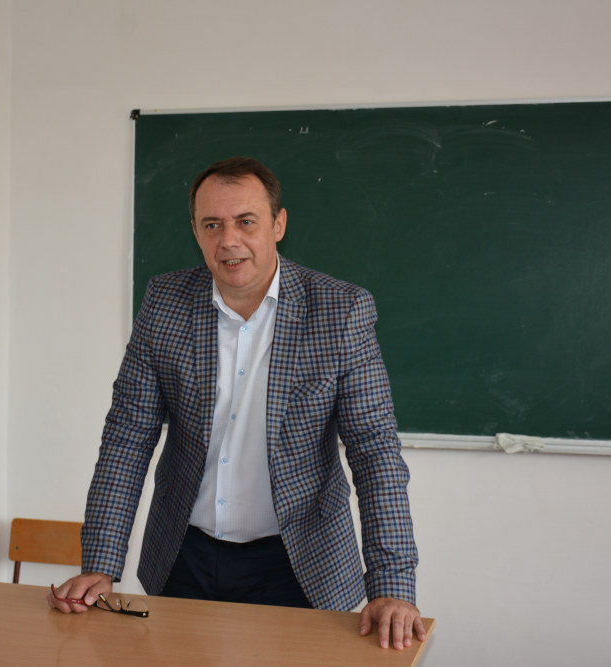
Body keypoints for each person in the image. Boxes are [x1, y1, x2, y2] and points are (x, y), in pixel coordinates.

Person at [48, 157, 425, 650]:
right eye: (212, 225)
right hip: (183, 558)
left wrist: (392, 586)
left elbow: (375, 451)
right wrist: (100, 563)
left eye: (246, 221)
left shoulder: (340, 311)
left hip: (298, 564)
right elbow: (127, 437)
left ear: (278, 224)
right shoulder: (164, 302)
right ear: (196, 231)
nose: (229, 240)